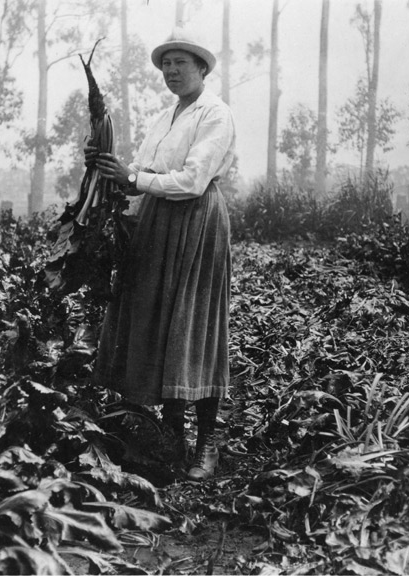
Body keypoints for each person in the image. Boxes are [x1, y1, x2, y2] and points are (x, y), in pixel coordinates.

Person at [86, 26, 236, 481]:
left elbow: (192, 180)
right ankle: (174, 438)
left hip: (195, 222)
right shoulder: (168, 115)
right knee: (161, 322)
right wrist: (112, 168)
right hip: (157, 220)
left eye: (181, 64)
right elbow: (148, 171)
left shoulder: (215, 114)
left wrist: (134, 180)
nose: (171, 71)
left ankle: (207, 443)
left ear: (201, 68)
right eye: (166, 64)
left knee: (195, 323)